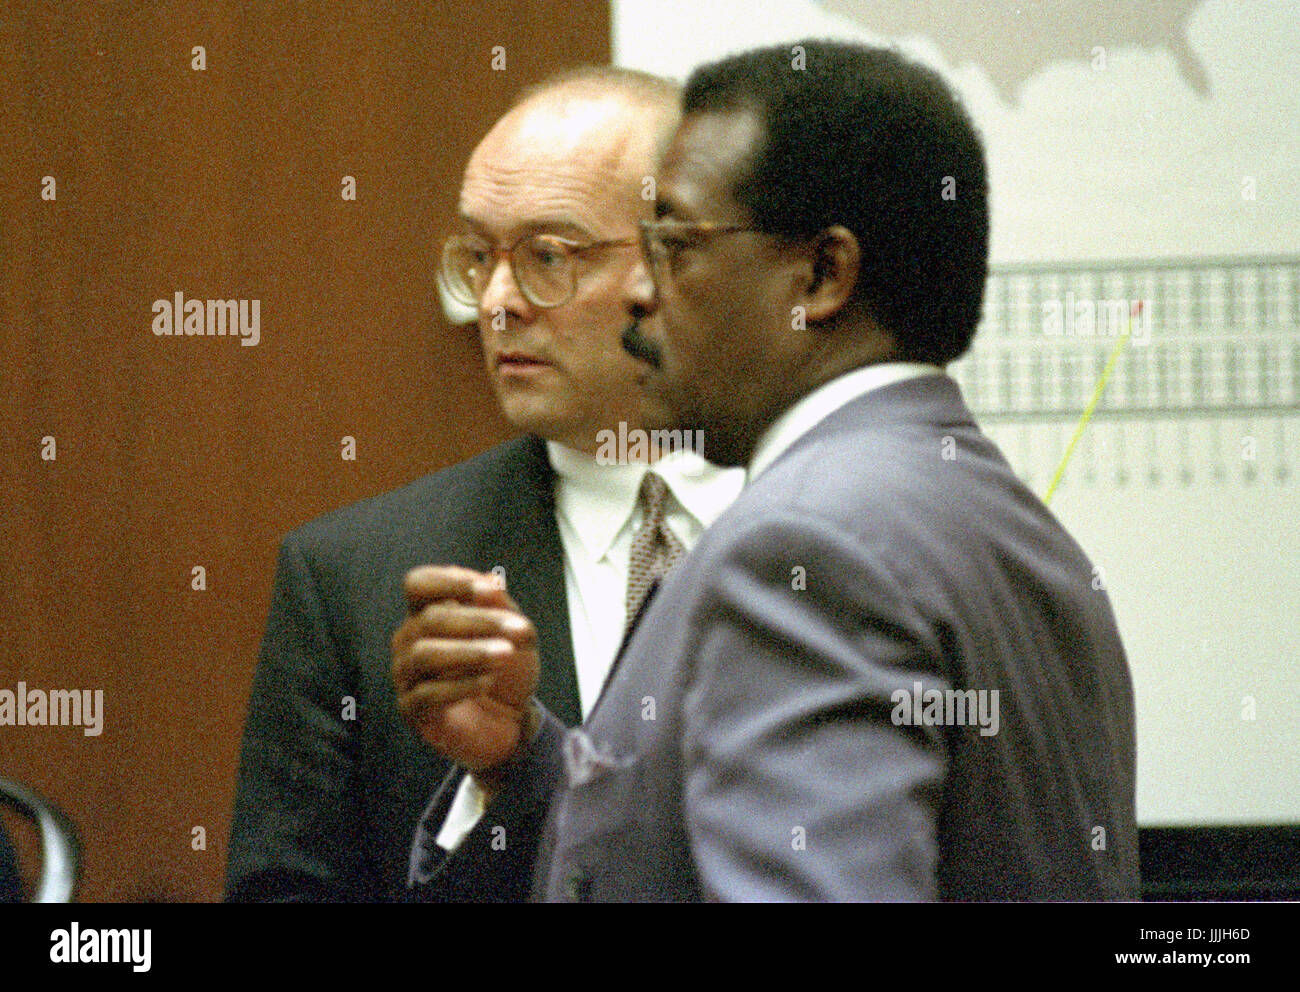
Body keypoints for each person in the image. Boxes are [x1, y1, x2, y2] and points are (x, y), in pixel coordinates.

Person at [405, 40, 1140, 901]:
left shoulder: (803, 552)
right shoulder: (1010, 523)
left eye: (675, 244)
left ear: (822, 275)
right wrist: (532, 763)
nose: (641, 290)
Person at [226, 67, 743, 902]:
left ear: (677, 261)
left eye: (548, 255)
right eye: (478, 256)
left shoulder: (844, 529)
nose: (497, 303)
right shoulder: (355, 577)